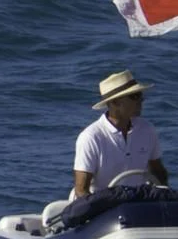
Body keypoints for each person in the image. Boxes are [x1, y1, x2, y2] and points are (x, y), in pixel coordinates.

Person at [72, 70, 170, 199]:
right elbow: (81, 190)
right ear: (115, 102)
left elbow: (159, 173)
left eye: (140, 95)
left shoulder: (147, 129)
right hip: (102, 210)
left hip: (137, 206)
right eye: (134, 96)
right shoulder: (91, 137)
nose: (141, 100)